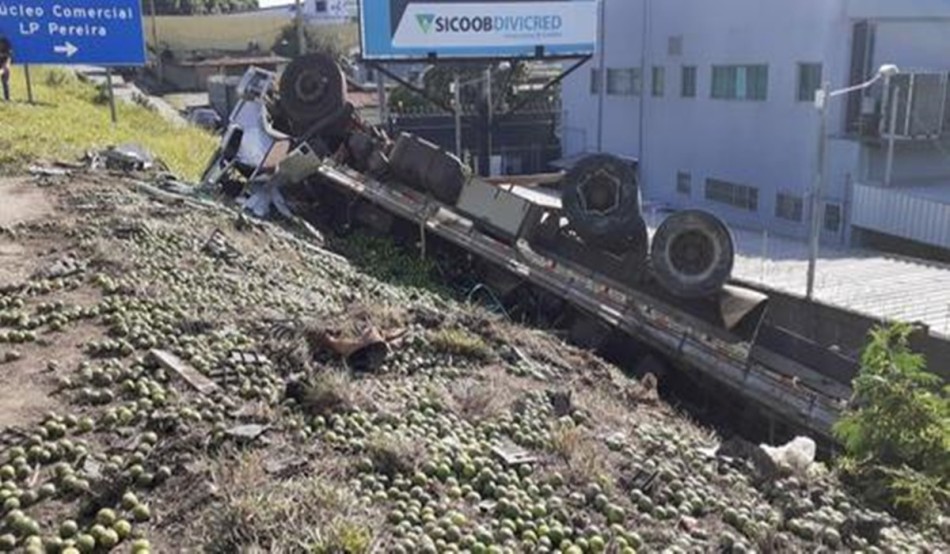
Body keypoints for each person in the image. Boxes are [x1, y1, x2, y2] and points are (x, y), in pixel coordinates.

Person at [0, 37, 11, 102]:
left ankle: (7, 98)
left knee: (5, 82)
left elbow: (9, 56)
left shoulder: (5, 42)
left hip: (4, 64)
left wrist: (5, 67)